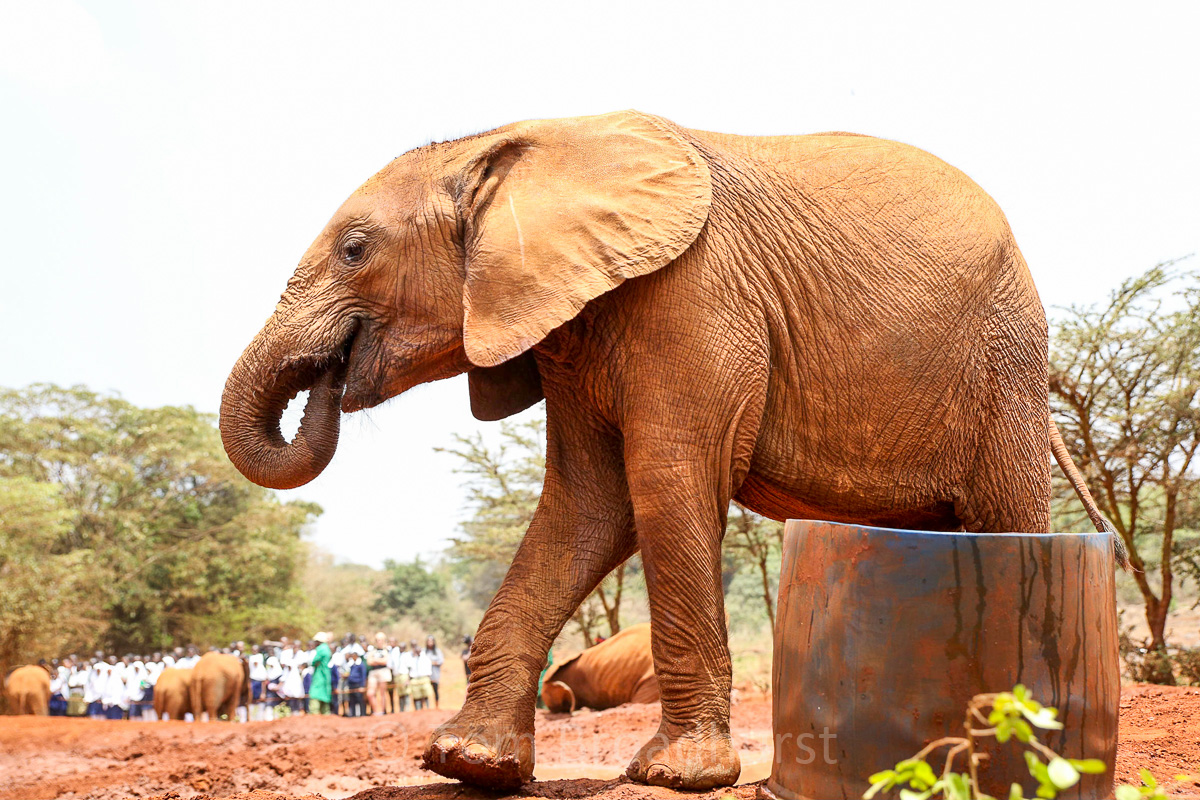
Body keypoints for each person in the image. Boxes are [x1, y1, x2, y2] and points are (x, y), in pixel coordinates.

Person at [365, 632, 391, 715]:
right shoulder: (372, 650)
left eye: (380, 639)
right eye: (377, 640)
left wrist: (375, 660)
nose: (378, 641)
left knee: (382, 693)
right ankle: (376, 711)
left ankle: (382, 712)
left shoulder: (386, 650)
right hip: (373, 672)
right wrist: (379, 661)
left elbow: (385, 661)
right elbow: (369, 661)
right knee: (370, 693)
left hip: (383, 671)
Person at [308, 632, 333, 715]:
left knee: (315, 693)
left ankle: (314, 714)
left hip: (320, 674)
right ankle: (325, 713)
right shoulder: (327, 648)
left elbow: (314, 661)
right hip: (325, 674)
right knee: (325, 694)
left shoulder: (321, 648)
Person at [408, 641, 433, 711]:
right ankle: (418, 710)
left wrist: (429, 677)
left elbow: (429, 668)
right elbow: (410, 669)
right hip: (415, 680)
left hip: (424, 678)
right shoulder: (412, 659)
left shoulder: (425, 658)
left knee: (425, 695)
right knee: (417, 696)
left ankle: (428, 709)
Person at [389, 639, 412, 712]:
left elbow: (409, 667)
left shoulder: (407, 655)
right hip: (397, 676)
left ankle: (407, 709)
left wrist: (408, 679)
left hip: (404, 675)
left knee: (406, 692)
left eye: (403, 647)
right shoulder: (395, 655)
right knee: (400, 693)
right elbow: (391, 666)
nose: (401, 649)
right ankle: (401, 709)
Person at [424, 636, 445, 709]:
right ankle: (427, 707)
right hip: (426, 675)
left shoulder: (437, 651)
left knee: (435, 690)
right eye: (428, 641)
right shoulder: (424, 651)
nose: (430, 642)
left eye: (431, 641)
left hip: (435, 674)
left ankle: (437, 706)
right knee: (426, 691)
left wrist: (432, 663)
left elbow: (441, 661)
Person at [345, 651, 366, 717]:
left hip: (358, 684)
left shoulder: (361, 664)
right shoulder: (351, 664)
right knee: (352, 700)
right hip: (351, 684)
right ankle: (353, 714)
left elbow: (363, 675)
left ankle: (362, 713)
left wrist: (362, 685)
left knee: (360, 699)